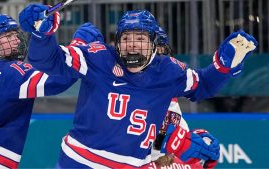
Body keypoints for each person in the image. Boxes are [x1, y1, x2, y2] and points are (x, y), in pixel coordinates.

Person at [19, 4, 257, 168]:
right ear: (117, 43)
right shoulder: (98, 57)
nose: (132, 46)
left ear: (154, 44)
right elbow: (49, 60)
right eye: (126, 39)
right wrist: (42, 35)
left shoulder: (169, 71)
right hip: (79, 162)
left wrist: (224, 66)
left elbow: (203, 85)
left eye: (140, 39)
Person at [72, 23, 217, 169]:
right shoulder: (119, 89)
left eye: (162, 53)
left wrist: (193, 151)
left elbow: (166, 152)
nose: (158, 61)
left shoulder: (169, 99)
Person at [0, 13, 76, 168]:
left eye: (15, 34)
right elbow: (60, 80)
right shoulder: (13, 72)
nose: (17, 39)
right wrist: (79, 50)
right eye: (7, 36)